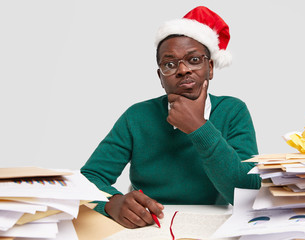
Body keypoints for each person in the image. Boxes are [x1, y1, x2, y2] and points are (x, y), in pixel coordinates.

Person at [81, 6, 261, 229]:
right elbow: (89, 177)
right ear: (160, 76)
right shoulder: (137, 116)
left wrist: (199, 127)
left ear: (210, 68)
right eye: (169, 64)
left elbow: (249, 193)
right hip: (148, 226)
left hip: (214, 226)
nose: (183, 69)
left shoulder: (232, 111)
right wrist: (112, 203)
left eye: (194, 60)